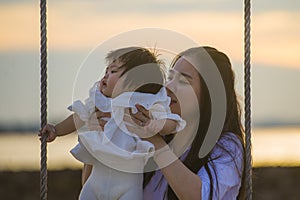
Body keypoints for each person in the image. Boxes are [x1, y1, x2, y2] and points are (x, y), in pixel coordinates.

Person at [92, 46, 245, 199]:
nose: (169, 87)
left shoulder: (227, 146)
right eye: (170, 77)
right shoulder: (151, 140)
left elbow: (197, 196)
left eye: (183, 81)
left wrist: (155, 141)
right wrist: (100, 141)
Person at [39, 47, 186, 200]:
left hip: (128, 185)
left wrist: (156, 125)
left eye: (113, 72)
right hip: (96, 181)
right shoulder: (99, 103)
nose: (105, 76)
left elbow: (172, 123)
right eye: (106, 71)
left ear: (135, 81)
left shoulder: (144, 105)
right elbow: (79, 116)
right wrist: (56, 130)